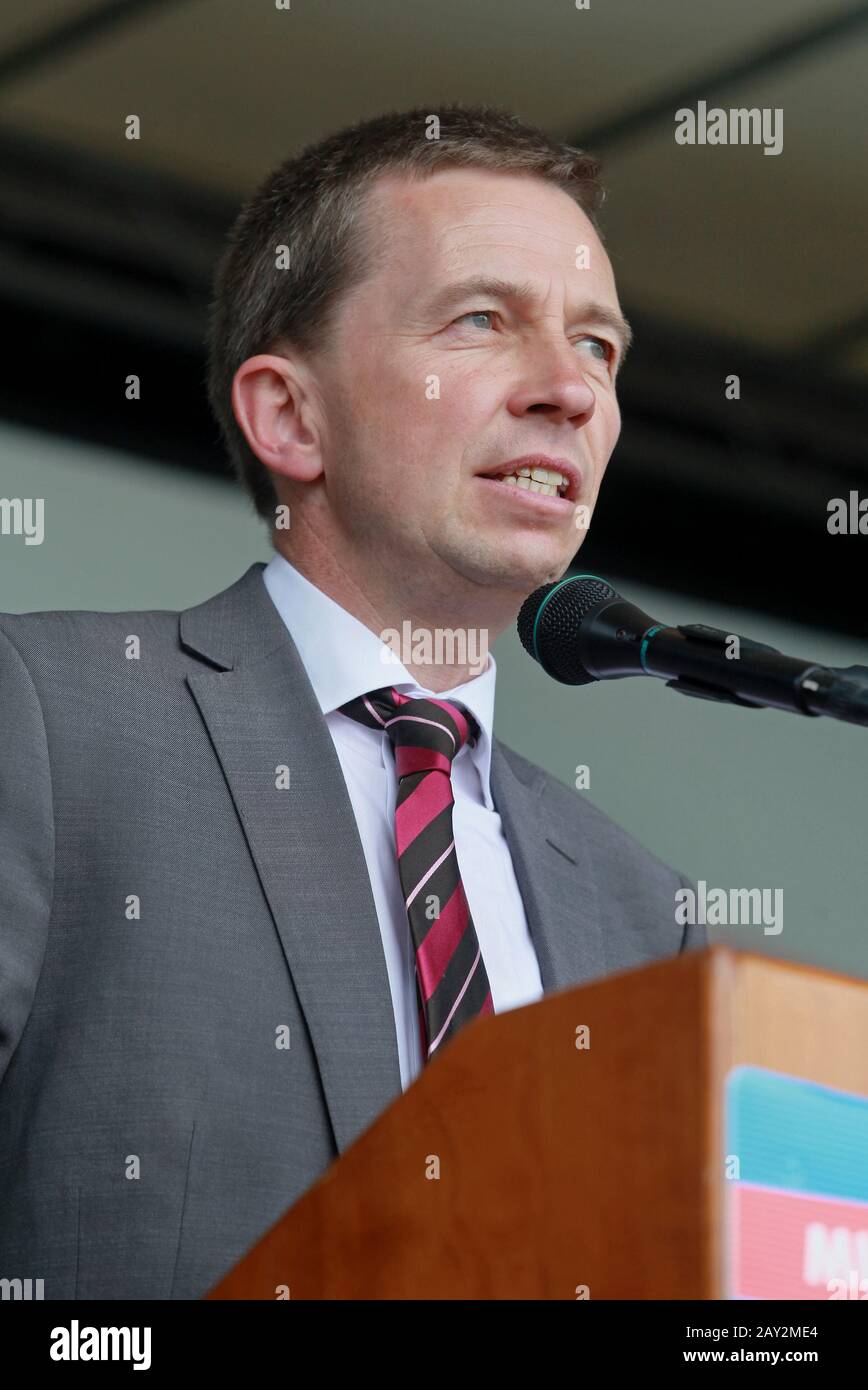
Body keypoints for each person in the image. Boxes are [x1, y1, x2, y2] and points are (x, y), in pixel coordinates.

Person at [0, 103, 705, 1300]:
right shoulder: (51, 721)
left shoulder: (648, 916)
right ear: (289, 415)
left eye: (598, 346)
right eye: (485, 320)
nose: (569, 392)